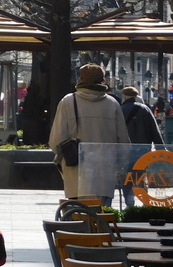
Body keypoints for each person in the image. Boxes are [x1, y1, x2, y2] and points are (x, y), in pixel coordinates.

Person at [48, 63, 131, 204]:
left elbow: (56, 140)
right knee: (102, 219)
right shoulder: (113, 104)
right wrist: (121, 167)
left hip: (76, 174)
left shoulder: (67, 102)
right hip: (104, 175)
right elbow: (123, 142)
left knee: (78, 218)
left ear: (80, 79)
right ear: (103, 80)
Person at [119, 86, 163, 207]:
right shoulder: (145, 109)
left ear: (124, 96)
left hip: (125, 152)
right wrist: (161, 150)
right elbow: (155, 131)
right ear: (136, 96)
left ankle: (130, 204)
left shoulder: (120, 110)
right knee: (141, 177)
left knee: (127, 178)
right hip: (143, 152)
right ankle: (145, 203)